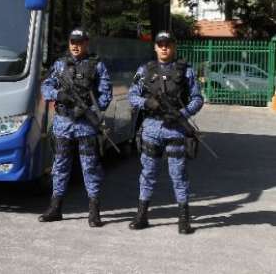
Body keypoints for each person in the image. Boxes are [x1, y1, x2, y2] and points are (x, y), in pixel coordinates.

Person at [128, 31, 204, 235]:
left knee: (178, 175)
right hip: (152, 129)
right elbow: (132, 96)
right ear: (155, 47)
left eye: (168, 44)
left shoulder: (185, 70)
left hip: (176, 130)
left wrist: (182, 113)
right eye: (160, 44)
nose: (164, 48)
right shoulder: (145, 70)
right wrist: (147, 102)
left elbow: (197, 98)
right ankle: (142, 215)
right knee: (148, 173)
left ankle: (183, 219)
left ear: (174, 46)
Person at [38, 28, 113, 227]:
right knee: (60, 166)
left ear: (87, 43)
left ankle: (94, 211)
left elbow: (106, 94)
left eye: (79, 42)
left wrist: (90, 109)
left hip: (86, 126)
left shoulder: (97, 66)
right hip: (63, 125)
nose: (75, 45)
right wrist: (58, 95)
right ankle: (55, 208)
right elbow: (45, 87)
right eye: (72, 41)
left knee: (90, 168)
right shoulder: (60, 65)